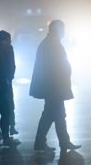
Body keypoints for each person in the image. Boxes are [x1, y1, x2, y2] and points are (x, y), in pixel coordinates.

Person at [30, 20, 80, 153]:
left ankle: (62, 142)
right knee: (52, 115)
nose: (64, 32)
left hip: (53, 87)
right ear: (57, 30)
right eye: (62, 29)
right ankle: (45, 143)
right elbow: (55, 67)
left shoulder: (49, 43)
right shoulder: (52, 44)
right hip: (54, 87)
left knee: (57, 115)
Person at [0, 30, 18, 139]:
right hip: (1, 81)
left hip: (7, 80)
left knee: (10, 105)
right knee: (0, 107)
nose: (10, 41)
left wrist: (10, 76)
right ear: (2, 41)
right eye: (8, 40)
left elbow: (12, 64)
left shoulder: (9, 49)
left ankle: (11, 127)